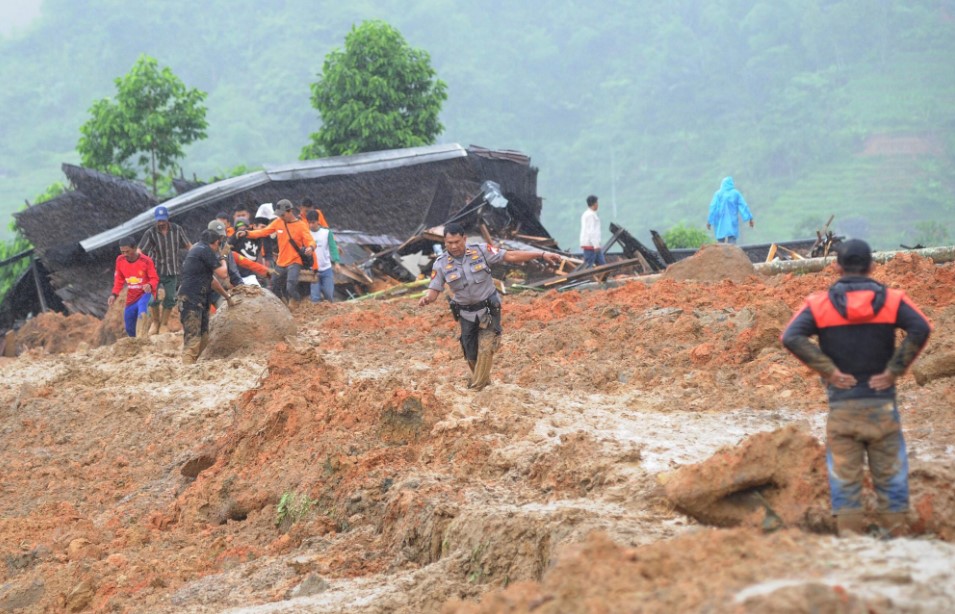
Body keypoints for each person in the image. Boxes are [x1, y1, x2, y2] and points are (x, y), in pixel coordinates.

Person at [782, 239, 931, 537]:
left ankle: (852, 546)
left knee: (845, 486)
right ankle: (898, 549)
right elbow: (922, 327)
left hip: (843, 411)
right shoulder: (892, 301)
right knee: (892, 483)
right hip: (882, 410)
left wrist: (829, 371)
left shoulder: (819, 305)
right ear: (872, 265)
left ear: (836, 267)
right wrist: (893, 371)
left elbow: (791, 336)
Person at [418, 223, 562, 390]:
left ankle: (477, 387)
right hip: (465, 313)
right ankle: (483, 383)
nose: (454, 246)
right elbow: (434, 290)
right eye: (449, 243)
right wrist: (427, 298)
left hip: (488, 307)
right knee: (471, 354)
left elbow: (511, 256)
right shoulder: (441, 264)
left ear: (464, 239)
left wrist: (541, 254)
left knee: (486, 346)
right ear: (444, 242)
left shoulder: (480, 250)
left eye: (457, 241)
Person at [237, 199, 315, 304]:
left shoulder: (301, 225)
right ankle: (283, 306)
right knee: (273, 286)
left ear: (289, 211)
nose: (280, 217)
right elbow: (263, 232)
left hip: (295, 261)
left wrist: (311, 247)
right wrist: (247, 233)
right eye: (279, 215)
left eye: (282, 214)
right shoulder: (278, 222)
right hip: (281, 262)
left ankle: (301, 305)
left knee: (290, 286)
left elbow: (310, 240)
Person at [178, 229, 235, 364]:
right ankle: (186, 371)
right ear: (215, 243)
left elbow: (211, 280)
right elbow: (223, 274)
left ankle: (191, 366)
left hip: (199, 299)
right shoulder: (205, 250)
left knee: (203, 338)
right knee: (193, 339)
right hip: (191, 299)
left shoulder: (199, 249)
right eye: (218, 245)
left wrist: (227, 297)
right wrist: (224, 257)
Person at [138, 205, 192, 334]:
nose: (161, 223)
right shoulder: (150, 232)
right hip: (154, 270)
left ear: (167, 218)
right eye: (159, 220)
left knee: (170, 297)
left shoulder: (177, 230)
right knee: (153, 298)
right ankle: (155, 321)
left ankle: (164, 323)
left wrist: (197, 255)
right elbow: (141, 250)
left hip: (171, 270)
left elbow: (188, 245)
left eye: (163, 220)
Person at [108, 236, 159, 338]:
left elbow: (155, 278)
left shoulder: (146, 261)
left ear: (135, 248)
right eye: (122, 252)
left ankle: (143, 336)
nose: (125, 254)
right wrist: (114, 294)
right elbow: (119, 280)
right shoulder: (120, 260)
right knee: (129, 327)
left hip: (146, 294)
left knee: (142, 311)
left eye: (127, 251)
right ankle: (136, 343)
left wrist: (149, 285)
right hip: (132, 297)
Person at [305, 209, 340, 302]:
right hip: (313, 270)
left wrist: (336, 262)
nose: (311, 225)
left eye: (313, 222)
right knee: (315, 297)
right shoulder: (306, 234)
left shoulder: (327, 233)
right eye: (309, 223)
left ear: (318, 221)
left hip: (326, 268)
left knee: (329, 295)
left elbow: (333, 248)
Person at [707, 176, 753, 244]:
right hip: (732, 221)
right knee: (732, 241)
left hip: (720, 221)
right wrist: (750, 218)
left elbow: (713, 207)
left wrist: (709, 221)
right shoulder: (735, 193)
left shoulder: (718, 194)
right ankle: (732, 253)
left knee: (720, 241)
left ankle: (720, 253)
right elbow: (743, 206)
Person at [579, 195, 605, 268]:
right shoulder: (590, 215)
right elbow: (591, 231)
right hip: (591, 245)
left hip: (593, 245)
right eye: (597, 203)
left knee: (602, 265)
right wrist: (596, 245)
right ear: (594, 204)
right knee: (588, 266)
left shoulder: (589, 214)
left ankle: (603, 278)